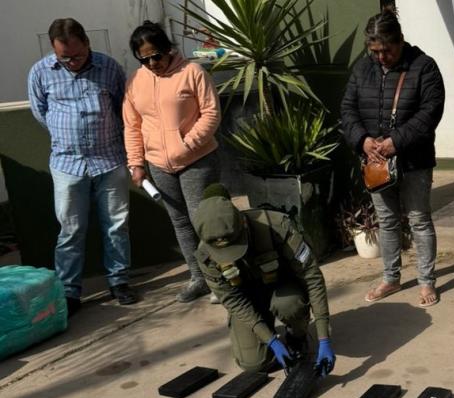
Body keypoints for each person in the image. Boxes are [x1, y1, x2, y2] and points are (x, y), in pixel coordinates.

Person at [27, 18, 137, 316]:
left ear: (87, 44)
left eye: (77, 56)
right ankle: (69, 291)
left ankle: (119, 281)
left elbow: (122, 108)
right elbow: (41, 113)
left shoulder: (109, 67)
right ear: (54, 50)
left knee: (116, 225)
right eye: (64, 57)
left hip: (109, 160)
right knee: (70, 230)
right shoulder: (40, 72)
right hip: (66, 164)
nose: (72, 63)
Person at [341, 7, 446, 308]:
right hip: (376, 161)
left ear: (400, 41)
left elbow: (430, 113)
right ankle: (391, 277)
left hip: (414, 160)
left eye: (386, 50)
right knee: (386, 221)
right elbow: (347, 110)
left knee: (419, 219)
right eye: (374, 51)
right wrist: (363, 140)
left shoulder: (424, 67)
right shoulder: (363, 69)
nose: (380, 57)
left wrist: (395, 142)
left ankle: (426, 281)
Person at [123, 21, 221, 303]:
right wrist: (136, 163)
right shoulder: (136, 82)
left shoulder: (192, 72)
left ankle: (218, 280)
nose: (152, 63)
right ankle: (198, 278)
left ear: (167, 49)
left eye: (156, 55)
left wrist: (187, 144)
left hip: (197, 159)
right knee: (179, 222)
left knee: (202, 220)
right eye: (144, 58)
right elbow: (132, 126)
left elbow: (211, 113)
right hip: (159, 164)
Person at [193, 184, 335, 375]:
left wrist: (324, 338)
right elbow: (232, 300)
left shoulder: (277, 226)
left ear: (243, 222)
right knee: (254, 365)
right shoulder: (205, 255)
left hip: (282, 288)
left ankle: (297, 336)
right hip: (249, 299)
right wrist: (270, 340)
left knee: (289, 305)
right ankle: (269, 338)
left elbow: (312, 277)